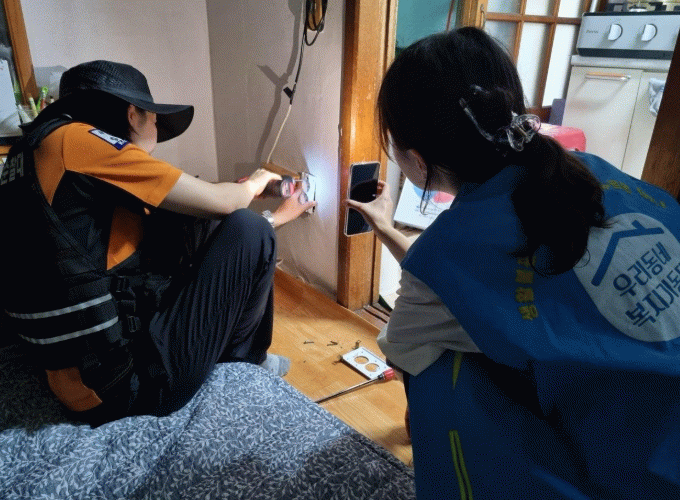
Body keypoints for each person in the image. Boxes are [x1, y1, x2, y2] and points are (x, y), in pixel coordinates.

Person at [346, 27, 680, 499]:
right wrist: (388, 230)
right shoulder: (587, 171)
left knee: (438, 371)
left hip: (647, 471)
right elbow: (466, 283)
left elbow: (406, 347)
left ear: (417, 160)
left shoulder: (447, 250)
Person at [0, 60, 315, 426]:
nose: (156, 133)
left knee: (190, 226)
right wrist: (257, 183)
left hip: (74, 375)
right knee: (250, 229)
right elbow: (225, 205)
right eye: (154, 121)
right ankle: (245, 362)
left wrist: (259, 207)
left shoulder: (32, 152)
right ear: (133, 115)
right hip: (126, 386)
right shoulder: (77, 141)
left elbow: (181, 219)